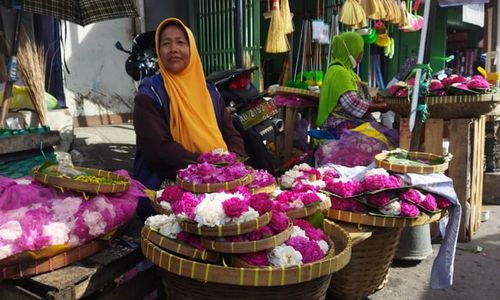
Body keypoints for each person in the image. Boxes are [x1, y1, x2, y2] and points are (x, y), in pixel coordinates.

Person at [133, 18, 246, 220]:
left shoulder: (210, 92)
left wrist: (233, 163)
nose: (173, 49)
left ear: (191, 48)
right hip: (171, 182)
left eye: (180, 42)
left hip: (219, 181)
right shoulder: (150, 93)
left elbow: (231, 133)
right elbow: (159, 149)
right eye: (166, 44)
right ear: (159, 51)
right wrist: (207, 168)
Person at [317, 31, 389, 139]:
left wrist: (373, 101)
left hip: (349, 120)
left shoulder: (349, 73)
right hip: (337, 123)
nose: (361, 54)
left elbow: (358, 98)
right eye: (360, 50)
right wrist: (380, 107)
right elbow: (352, 104)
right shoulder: (339, 72)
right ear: (351, 51)